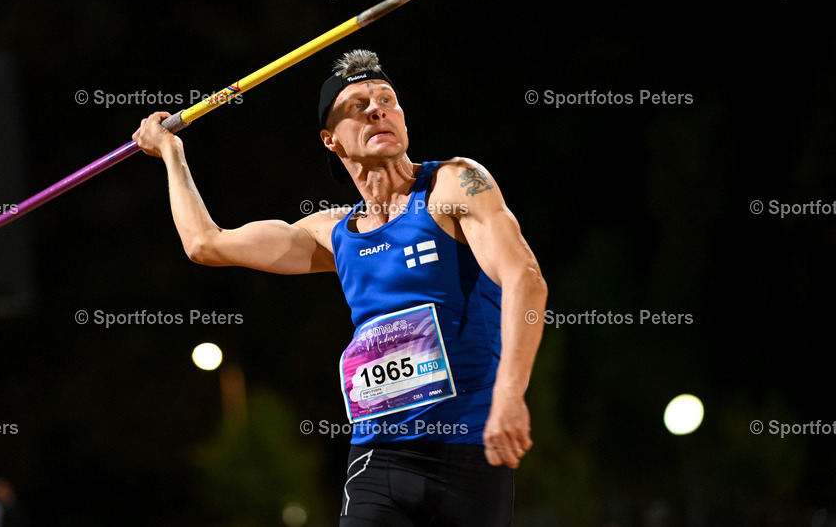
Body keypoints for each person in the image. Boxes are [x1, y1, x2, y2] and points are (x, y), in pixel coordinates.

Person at [133, 49, 547, 526]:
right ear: (330, 140)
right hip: (378, 456)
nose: (377, 111)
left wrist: (511, 395)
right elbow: (206, 244)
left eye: (387, 100)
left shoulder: (451, 186)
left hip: (470, 448)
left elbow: (525, 279)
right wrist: (171, 154)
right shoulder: (332, 233)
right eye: (357, 106)